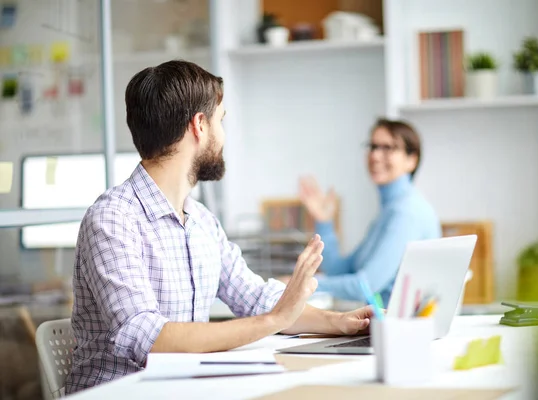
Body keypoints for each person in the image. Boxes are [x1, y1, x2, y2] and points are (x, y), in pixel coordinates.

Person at [65, 60, 373, 394]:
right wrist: (274, 321)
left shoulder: (201, 221)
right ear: (199, 125)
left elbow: (254, 298)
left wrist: (340, 323)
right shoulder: (112, 219)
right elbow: (148, 338)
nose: (223, 136)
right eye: (220, 121)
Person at [281, 119, 441, 307]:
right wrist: (324, 222)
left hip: (400, 331)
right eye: (372, 146)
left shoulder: (406, 212)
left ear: (411, 160)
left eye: (388, 148)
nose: (375, 155)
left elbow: (366, 285)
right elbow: (339, 271)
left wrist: (300, 284)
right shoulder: (389, 211)